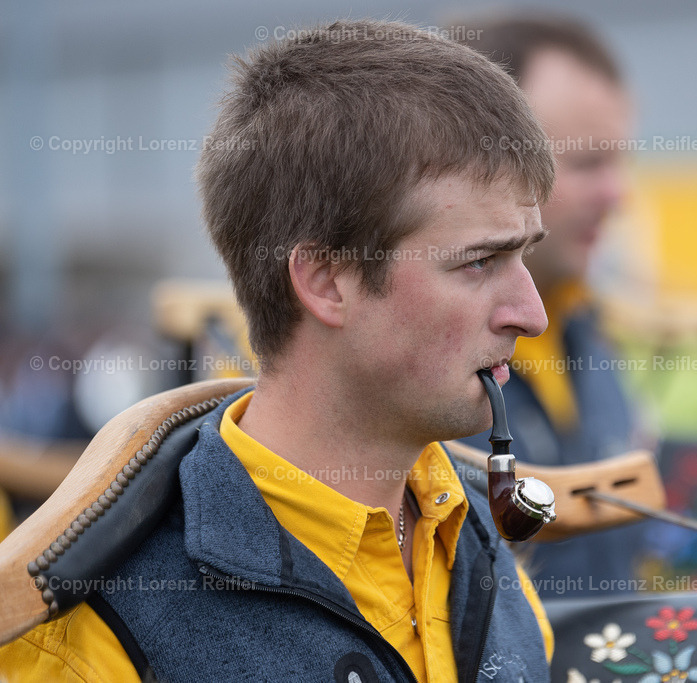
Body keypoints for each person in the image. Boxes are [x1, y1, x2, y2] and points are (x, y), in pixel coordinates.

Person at [0, 19, 557, 682]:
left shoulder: (485, 549)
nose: (533, 315)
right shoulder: (91, 641)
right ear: (326, 281)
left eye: (525, 254)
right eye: (480, 262)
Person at [458, 16, 646, 597]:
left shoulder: (589, 324)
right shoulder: (419, 366)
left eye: (619, 161)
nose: (619, 194)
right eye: (589, 163)